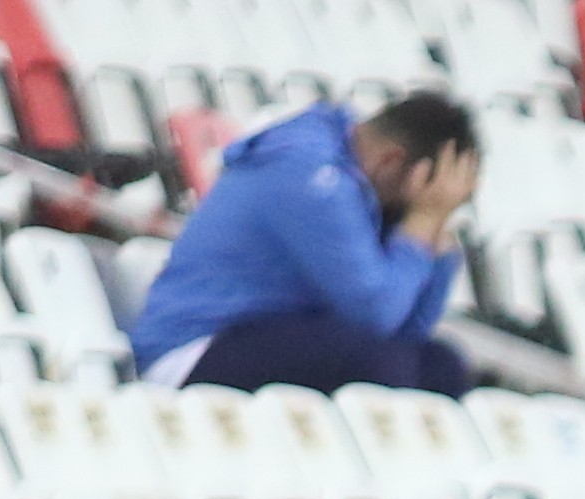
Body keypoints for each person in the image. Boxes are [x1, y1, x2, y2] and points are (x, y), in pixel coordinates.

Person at [131, 91, 481, 400]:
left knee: (440, 366)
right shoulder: (308, 173)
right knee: (374, 363)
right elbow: (377, 314)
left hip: (276, 336)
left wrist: (438, 245)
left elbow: (406, 330)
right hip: (194, 349)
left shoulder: (354, 178)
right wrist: (419, 224)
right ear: (390, 162)